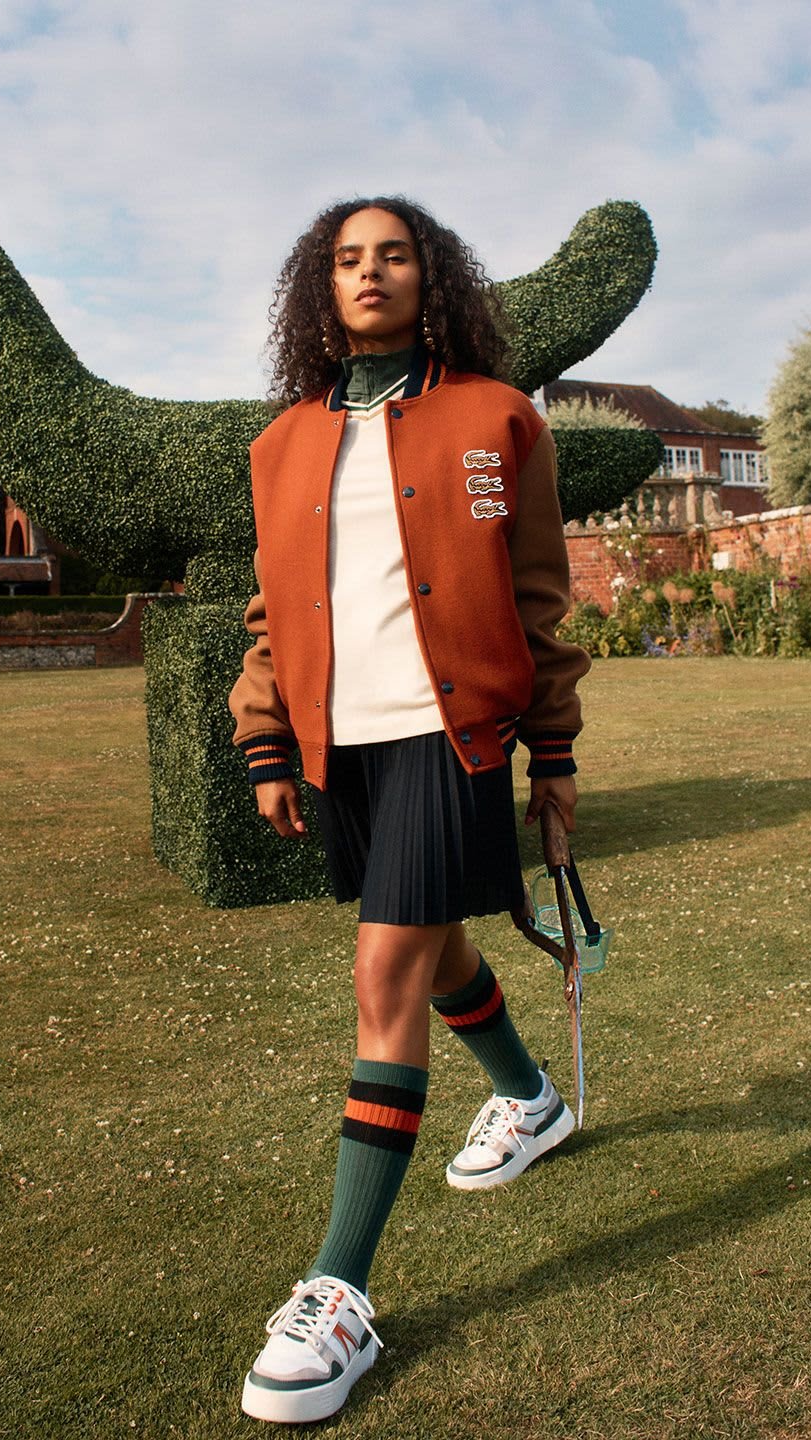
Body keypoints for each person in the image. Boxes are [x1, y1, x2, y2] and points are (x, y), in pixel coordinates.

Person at [228, 196, 590, 1425]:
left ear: (429, 277)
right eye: (346, 258)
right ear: (318, 289)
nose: (369, 272)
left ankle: (337, 1292)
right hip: (345, 747)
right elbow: (273, 611)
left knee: (385, 969)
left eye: (392, 254)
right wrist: (267, 738)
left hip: (457, 732)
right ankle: (531, 1095)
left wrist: (555, 756)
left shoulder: (498, 417)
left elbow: (535, 595)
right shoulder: (279, 445)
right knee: (431, 949)